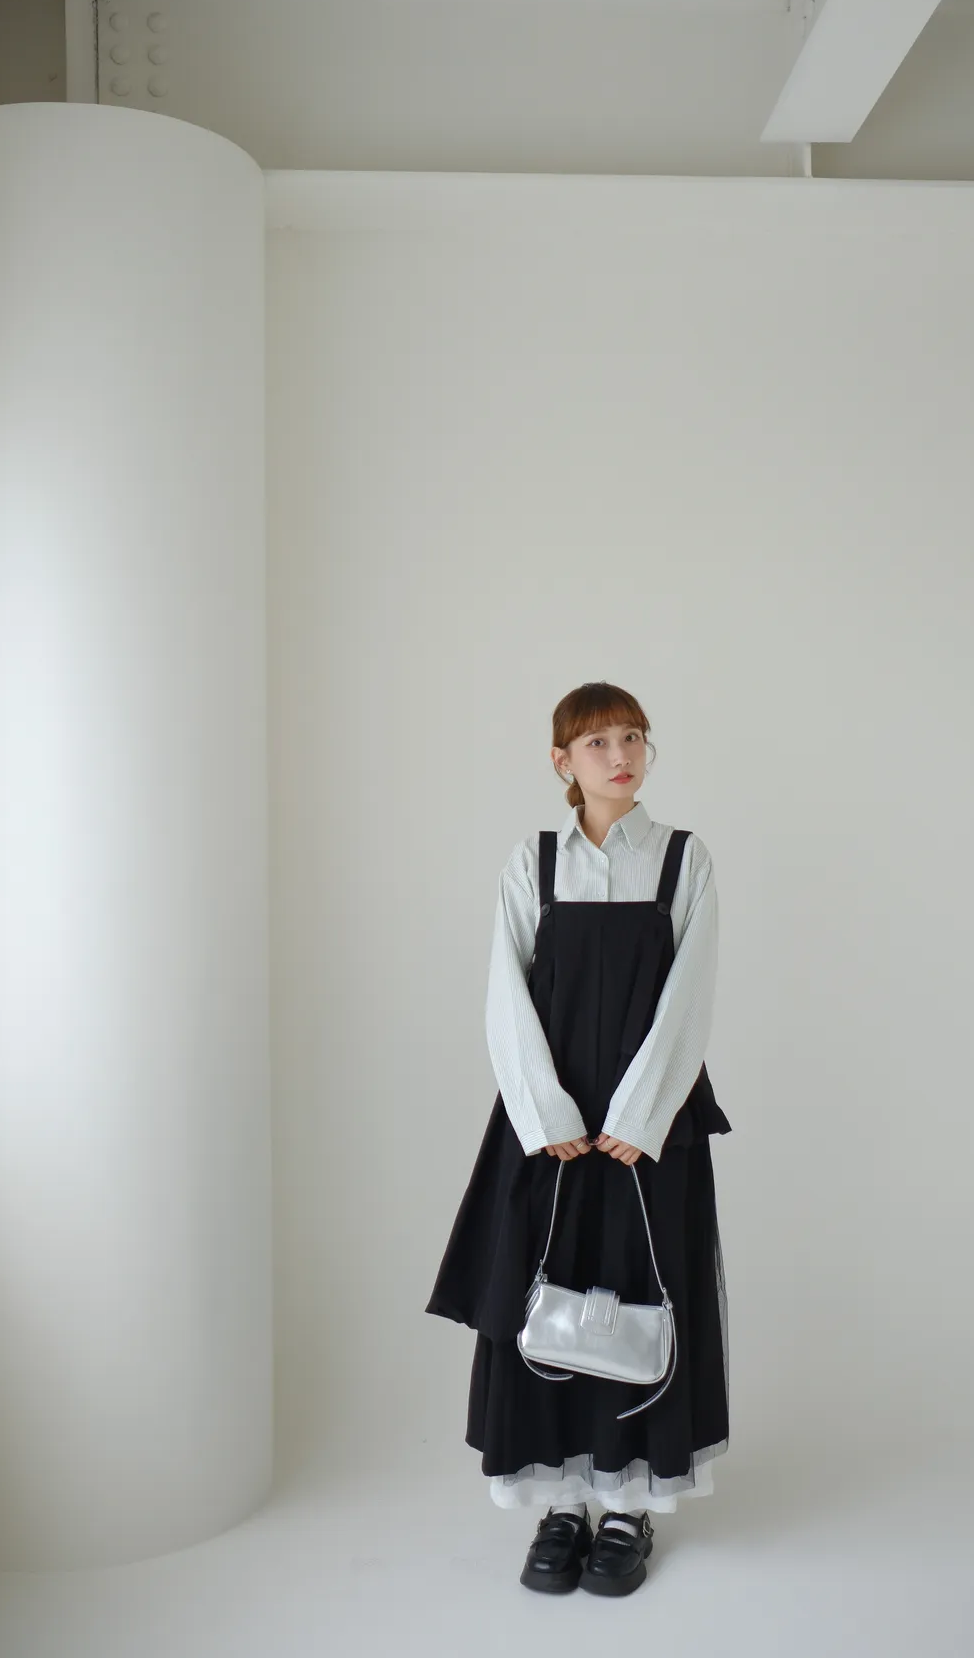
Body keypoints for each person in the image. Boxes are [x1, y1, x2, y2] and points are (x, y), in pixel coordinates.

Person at [425, 680, 731, 1596]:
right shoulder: (536, 861)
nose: (620, 755)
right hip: (549, 1129)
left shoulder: (683, 860)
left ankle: (628, 1507)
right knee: (545, 1301)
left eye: (633, 737)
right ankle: (560, 1504)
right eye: (598, 741)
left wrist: (639, 1118)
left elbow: (691, 998)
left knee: (641, 1296)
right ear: (562, 760)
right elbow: (504, 992)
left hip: (649, 1127)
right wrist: (547, 1115)